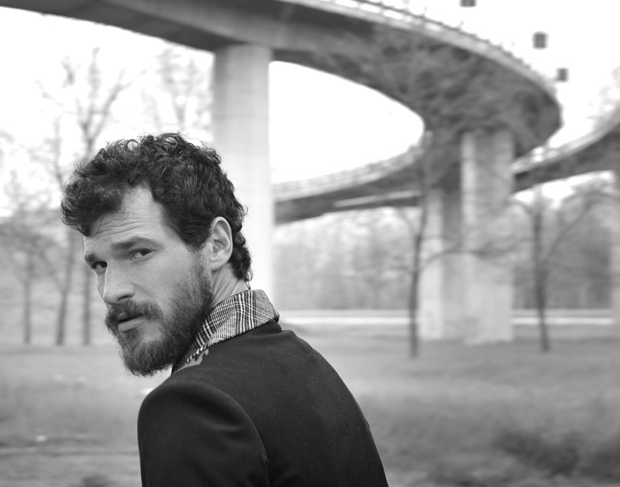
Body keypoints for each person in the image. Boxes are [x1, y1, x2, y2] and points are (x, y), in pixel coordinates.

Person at [61, 133, 389, 487]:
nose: (112, 291)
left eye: (139, 252)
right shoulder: (307, 366)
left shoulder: (192, 406)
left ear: (216, 245)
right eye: (99, 265)